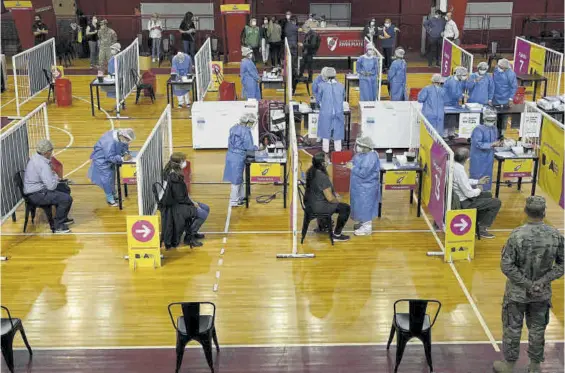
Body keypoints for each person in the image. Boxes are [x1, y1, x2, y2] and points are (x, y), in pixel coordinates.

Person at [493, 196, 564, 373]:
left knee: (512, 328)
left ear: (525, 211)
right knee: (538, 329)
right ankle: (534, 365)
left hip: (517, 294)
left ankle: (509, 365)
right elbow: (562, 264)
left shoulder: (517, 235)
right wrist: (542, 282)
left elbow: (506, 265)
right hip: (541, 293)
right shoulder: (555, 235)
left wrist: (526, 284)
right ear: (544, 212)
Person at [23, 140, 73, 234]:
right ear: (46, 152)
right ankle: (58, 225)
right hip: (36, 194)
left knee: (65, 189)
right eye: (51, 150)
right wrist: (55, 177)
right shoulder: (43, 165)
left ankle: (62, 217)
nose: (52, 151)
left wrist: (54, 178)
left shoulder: (36, 158)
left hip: (36, 189)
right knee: (66, 199)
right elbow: (51, 187)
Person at [160, 152, 209, 249]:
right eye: (183, 161)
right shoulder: (174, 177)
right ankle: (189, 237)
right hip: (176, 207)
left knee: (206, 208)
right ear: (178, 163)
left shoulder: (173, 172)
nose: (185, 162)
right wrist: (193, 204)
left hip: (179, 202)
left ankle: (193, 232)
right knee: (203, 214)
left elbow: (181, 195)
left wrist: (192, 201)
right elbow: (181, 198)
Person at [452, 147, 501, 238]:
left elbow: (463, 181)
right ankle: (482, 228)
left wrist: (478, 182)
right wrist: (479, 189)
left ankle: (478, 222)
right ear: (467, 159)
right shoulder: (460, 172)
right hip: (464, 202)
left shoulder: (453, 165)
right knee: (496, 202)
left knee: (488, 195)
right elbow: (469, 194)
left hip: (460, 197)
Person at [304, 152, 351, 242]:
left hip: (310, 202)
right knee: (345, 208)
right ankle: (337, 235)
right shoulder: (321, 176)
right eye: (326, 159)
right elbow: (330, 198)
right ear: (322, 163)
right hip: (317, 206)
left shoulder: (311, 171)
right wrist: (337, 200)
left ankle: (322, 227)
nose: (328, 160)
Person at [88, 128, 135, 207]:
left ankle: (114, 194)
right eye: (127, 139)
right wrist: (122, 158)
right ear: (122, 136)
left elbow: (124, 145)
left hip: (111, 161)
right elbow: (110, 157)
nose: (127, 142)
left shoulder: (120, 136)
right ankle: (110, 198)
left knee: (112, 178)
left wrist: (126, 152)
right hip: (102, 161)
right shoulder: (109, 142)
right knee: (107, 179)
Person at [347, 136, 380, 236]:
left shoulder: (371, 157)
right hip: (359, 187)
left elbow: (363, 173)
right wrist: (350, 164)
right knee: (359, 206)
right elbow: (354, 160)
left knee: (365, 207)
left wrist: (352, 168)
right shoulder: (361, 154)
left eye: (359, 145)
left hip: (366, 188)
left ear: (365, 147)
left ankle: (367, 228)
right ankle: (363, 223)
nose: (357, 147)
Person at [223, 114, 258, 207]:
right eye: (251, 123)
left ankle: (241, 197)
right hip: (238, 157)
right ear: (247, 122)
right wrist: (258, 148)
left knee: (238, 178)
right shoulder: (245, 131)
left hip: (230, 155)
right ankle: (234, 201)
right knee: (236, 180)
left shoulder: (234, 128)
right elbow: (249, 146)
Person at [470, 109, 500, 191]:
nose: (491, 122)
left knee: (487, 174)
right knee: (477, 175)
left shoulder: (494, 128)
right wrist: (491, 144)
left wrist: (498, 144)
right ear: (484, 119)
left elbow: (495, 140)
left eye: (492, 120)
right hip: (478, 157)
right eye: (489, 120)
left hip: (489, 156)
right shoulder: (478, 129)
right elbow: (477, 143)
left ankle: (486, 191)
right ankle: (475, 191)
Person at [317, 67, 345, 156]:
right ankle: (338, 151)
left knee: (325, 132)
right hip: (338, 112)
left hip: (326, 112)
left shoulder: (321, 85)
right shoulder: (341, 86)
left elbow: (318, 99)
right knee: (338, 132)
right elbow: (343, 97)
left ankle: (325, 151)